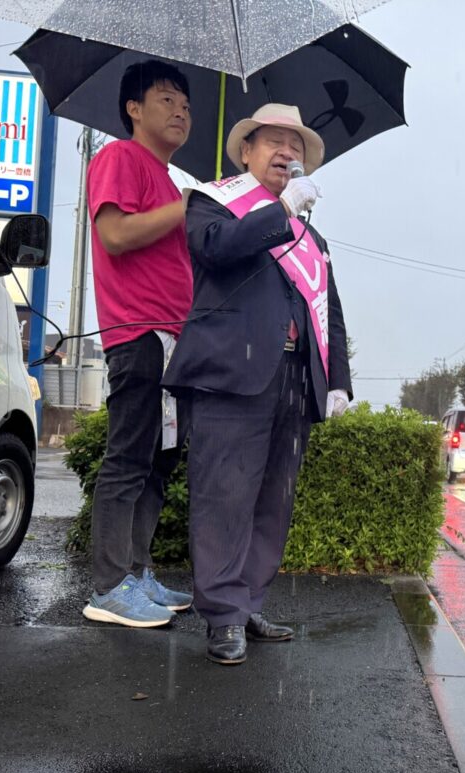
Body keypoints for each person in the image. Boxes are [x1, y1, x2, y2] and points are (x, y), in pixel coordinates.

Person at [163, 103, 352, 666]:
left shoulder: (310, 239)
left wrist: (338, 379)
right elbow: (214, 250)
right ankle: (221, 615)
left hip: (296, 380)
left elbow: (330, 312)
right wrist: (279, 212)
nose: (285, 153)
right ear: (245, 151)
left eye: (294, 146)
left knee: (274, 501)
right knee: (224, 496)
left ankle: (246, 604)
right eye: (272, 140)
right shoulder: (211, 202)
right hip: (232, 375)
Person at [82, 60, 195, 628]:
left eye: (186, 105)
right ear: (133, 107)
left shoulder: (170, 180)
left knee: (157, 462)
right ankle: (106, 586)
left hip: (173, 341)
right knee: (128, 459)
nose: (181, 111)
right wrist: (188, 209)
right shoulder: (120, 158)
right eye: (167, 99)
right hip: (138, 334)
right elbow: (115, 234)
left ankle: (135, 572)